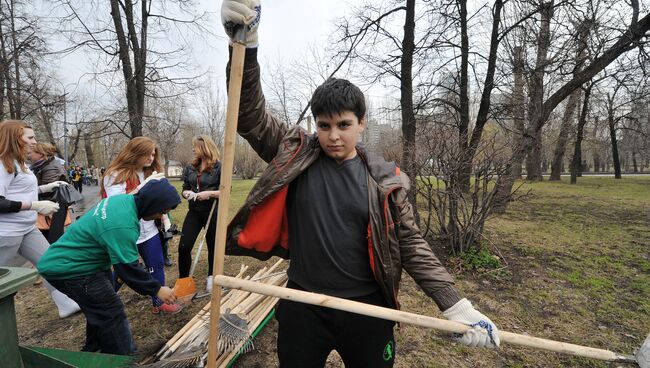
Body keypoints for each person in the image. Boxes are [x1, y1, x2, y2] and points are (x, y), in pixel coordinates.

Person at [220, 2, 500, 367]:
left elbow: (411, 244)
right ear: (314, 124)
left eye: (343, 125)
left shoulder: (384, 179)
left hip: (368, 310)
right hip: (304, 306)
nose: (333, 136)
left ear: (362, 123)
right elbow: (249, 113)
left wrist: (455, 304)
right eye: (323, 126)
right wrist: (246, 45)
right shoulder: (295, 155)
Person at [37, 178, 181, 355]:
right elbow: (127, 269)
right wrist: (157, 289)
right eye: (161, 212)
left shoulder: (122, 201)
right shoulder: (123, 224)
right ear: (152, 205)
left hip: (82, 262)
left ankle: (93, 349)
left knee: (99, 307)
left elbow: (122, 261)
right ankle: (125, 360)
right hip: (70, 269)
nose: (161, 217)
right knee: (111, 312)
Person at [0, 120, 81, 318]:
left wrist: (45, 188)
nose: (34, 142)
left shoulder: (20, 163)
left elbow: (19, 191)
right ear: (15, 138)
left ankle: (65, 303)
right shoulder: (3, 164)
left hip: (27, 229)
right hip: (7, 234)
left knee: (49, 263)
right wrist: (34, 206)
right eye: (30, 137)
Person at [101, 137, 182, 315]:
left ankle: (159, 302)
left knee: (157, 264)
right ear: (134, 152)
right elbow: (117, 204)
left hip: (149, 230)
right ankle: (102, 302)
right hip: (125, 232)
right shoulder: (115, 174)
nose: (151, 158)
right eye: (147, 154)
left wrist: (164, 216)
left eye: (153, 154)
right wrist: (144, 186)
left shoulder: (149, 171)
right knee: (124, 272)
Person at [177, 135, 221, 293]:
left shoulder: (218, 167)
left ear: (204, 147)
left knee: (213, 247)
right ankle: (184, 282)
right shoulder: (190, 167)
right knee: (184, 247)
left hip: (212, 212)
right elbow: (184, 187)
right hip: (194, 212)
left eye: (195, 146)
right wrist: (186, 193)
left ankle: (212, 278)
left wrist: (209, 193)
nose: (193, 149)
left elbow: (225, 191)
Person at [29, 142, 70, 243]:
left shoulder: (51, 167)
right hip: (49, 210)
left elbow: (49, 193)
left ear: (41, 154)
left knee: (50, 241)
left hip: (49, 211)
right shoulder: (43, 166)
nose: (29, 154)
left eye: (32, 152)